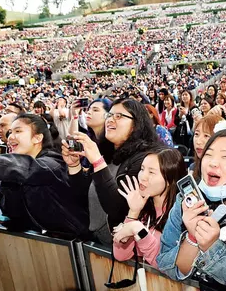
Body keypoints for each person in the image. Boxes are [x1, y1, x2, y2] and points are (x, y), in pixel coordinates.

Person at [157, 129, 226, 290]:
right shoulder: (187, 201)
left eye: (225, 157)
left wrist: (212, 247)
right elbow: (166, 265)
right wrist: (192, 237)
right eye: (208, 154)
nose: (213, 162)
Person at [63, 99, 159, 244]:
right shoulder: (107, 153)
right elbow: (82, 196)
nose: (110, 120)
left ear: (136, 124)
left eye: (119, 116)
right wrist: (74, 166)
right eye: (110, 115)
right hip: (98, 241)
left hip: (125, 247)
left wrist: (97, 162)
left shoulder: (145, 159)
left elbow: (117, 209)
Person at [0, 114, 89, 237]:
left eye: (18, 131)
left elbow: (27, 168)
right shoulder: (16, 175)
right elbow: (16, 216)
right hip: (46, 246)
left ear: (37, 138)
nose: (10, 137)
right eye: (10, 132)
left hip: (76, 245)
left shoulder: (52, 164)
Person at [113, 147, 187, 267]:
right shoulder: (143, 208)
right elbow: (120, 255)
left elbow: (166, 265)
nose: (142, 176)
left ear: (169, 179)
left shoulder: (182, 215)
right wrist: (133, 213)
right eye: (142, 169)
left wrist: (139, 231)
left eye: (151, 172)